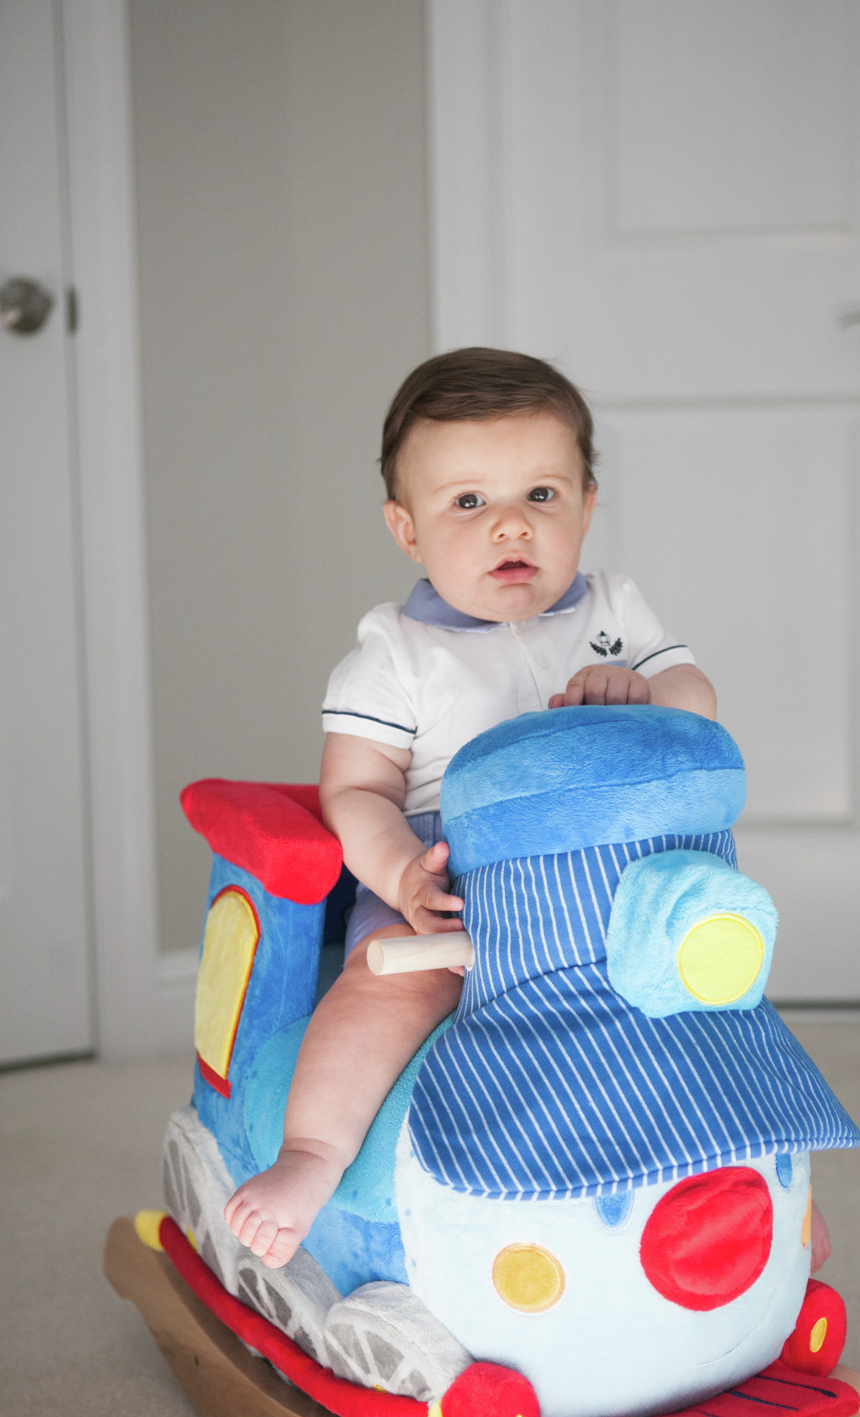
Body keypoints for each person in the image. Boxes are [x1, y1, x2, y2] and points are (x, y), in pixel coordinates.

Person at [223, 346, 829, 1273]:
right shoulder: (396, 653)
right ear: (407, 529)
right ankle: (313, 1152)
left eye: (541, 495)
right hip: (454, 884)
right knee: (389, 990)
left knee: (706, 992)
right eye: (469, 502)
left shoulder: (613, 613)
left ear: (586, 505)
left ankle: (764, 1179)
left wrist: (644, 693)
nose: (511, 524)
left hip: (608, 884)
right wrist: (400, 875)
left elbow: (697, 701)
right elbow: (357, 790)